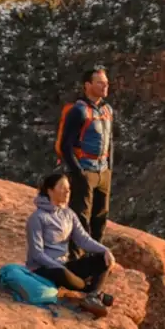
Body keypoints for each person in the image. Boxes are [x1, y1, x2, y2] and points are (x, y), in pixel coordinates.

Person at [27, 172, 114, 315]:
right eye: (62, 187)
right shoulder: (37, 218)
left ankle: (93, 295)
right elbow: (37, 254)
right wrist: (59, 266)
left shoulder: (69, 214)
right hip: (44, 268)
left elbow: (83, 239)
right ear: (50, 191)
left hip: (64, 265)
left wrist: (105, 250)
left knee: (103, 259)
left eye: (68, 188)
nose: (67, 191)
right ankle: (93, 292)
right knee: (65, 274)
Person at [54, 65, 115, 241]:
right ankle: (75, 255)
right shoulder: (79, 111)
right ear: (87, 85)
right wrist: (78, 172)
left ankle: (96, 253)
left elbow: (110, 140)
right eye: (100, 83)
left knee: (100, 217)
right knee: (80, 217)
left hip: (103, 171)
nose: (105, 86)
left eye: (106, 82)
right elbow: (66, 145)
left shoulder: (107, 110)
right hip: (85, 169)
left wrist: (109, 168)